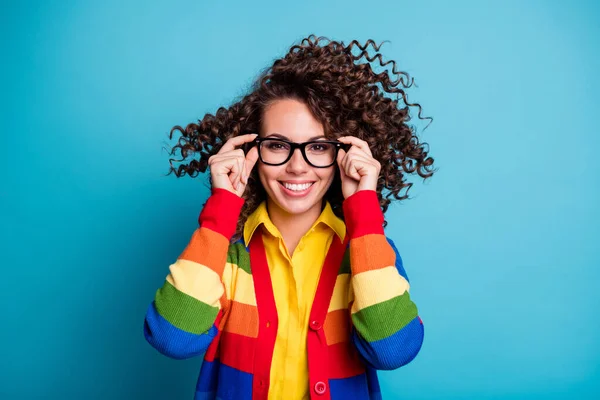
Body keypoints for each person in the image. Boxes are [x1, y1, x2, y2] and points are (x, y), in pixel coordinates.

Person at [144, 35, 435, 400]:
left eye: (318, 147)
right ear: (252, 150)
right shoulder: (225, 251)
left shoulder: (367, 251)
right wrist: (220, 210)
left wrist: (363, 207)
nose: (297, 167)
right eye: (278, 145)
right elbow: (174, 338)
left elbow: (393, 350)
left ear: (342, 156)